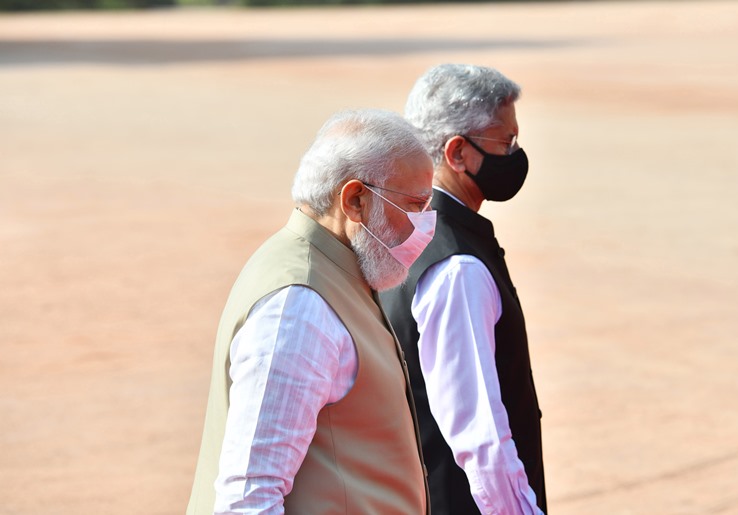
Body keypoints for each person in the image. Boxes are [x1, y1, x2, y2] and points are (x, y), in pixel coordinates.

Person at [187, 108, 437, 514]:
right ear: (355, 200)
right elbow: (249, 496)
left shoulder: (337, 269)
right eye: (415, 205)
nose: (424, 225)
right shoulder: (298, 305)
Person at [380, 64, 547, 515]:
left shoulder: (404, 231)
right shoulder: (458, 268)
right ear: (458, 152)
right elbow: (480, 435)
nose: (515, 154)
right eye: (505, 143)